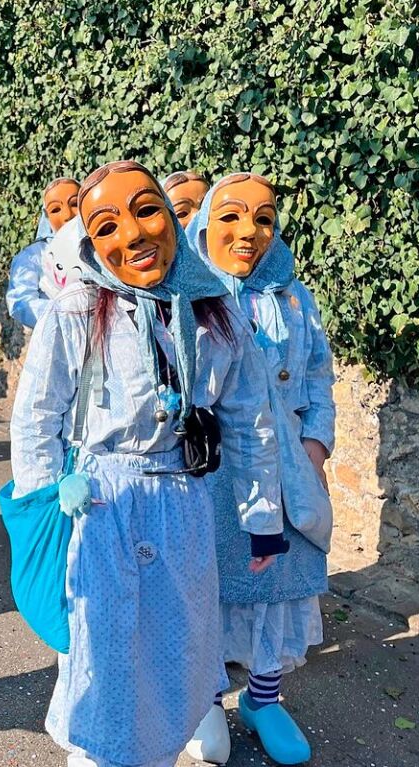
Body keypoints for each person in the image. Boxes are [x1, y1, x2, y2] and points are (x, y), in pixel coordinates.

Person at [10, 160, 285, 767]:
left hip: (182, 506)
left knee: (174, 651)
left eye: (145, 211)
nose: (132, 236)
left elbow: (250, 421)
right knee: (104, 658)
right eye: (106, 225)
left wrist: (263, 516)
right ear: (89, 242)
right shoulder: (78, 310)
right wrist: (45, 507)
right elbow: (36, 417)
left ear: (170, 215)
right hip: (100, 507)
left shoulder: (214, 311)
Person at [184, 172, 334, 766]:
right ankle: (207, 701)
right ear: (202, 226)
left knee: (277, 588)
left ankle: (264, 700)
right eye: (231, 216)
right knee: (213, 586)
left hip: (288, 468)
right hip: (215, 472)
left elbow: (318, 374)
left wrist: (316, 448)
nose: (249, 231)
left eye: (264, 218)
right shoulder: (186, 295)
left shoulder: (296, 296)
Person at [5, 178, 81, 329]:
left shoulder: (101, 247)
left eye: (75, 204)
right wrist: (69, 316)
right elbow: (20, 303)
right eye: (56, 209)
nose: (67, 215)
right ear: (46, 216)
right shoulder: (33, 256)